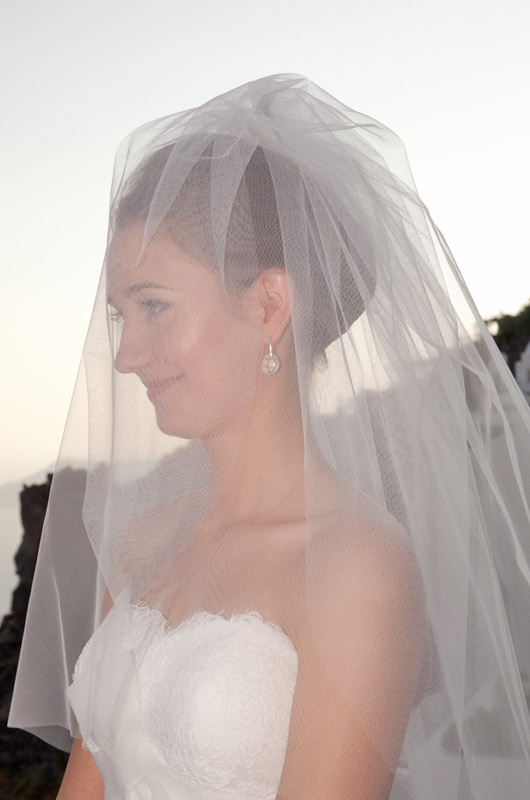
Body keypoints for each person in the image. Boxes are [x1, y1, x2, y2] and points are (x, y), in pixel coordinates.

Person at [8, 74, 530, 799]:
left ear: (270, 303)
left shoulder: (356, 567)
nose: (125, 356)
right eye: (124, 316)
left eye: (154, 306)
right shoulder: (146, 541)